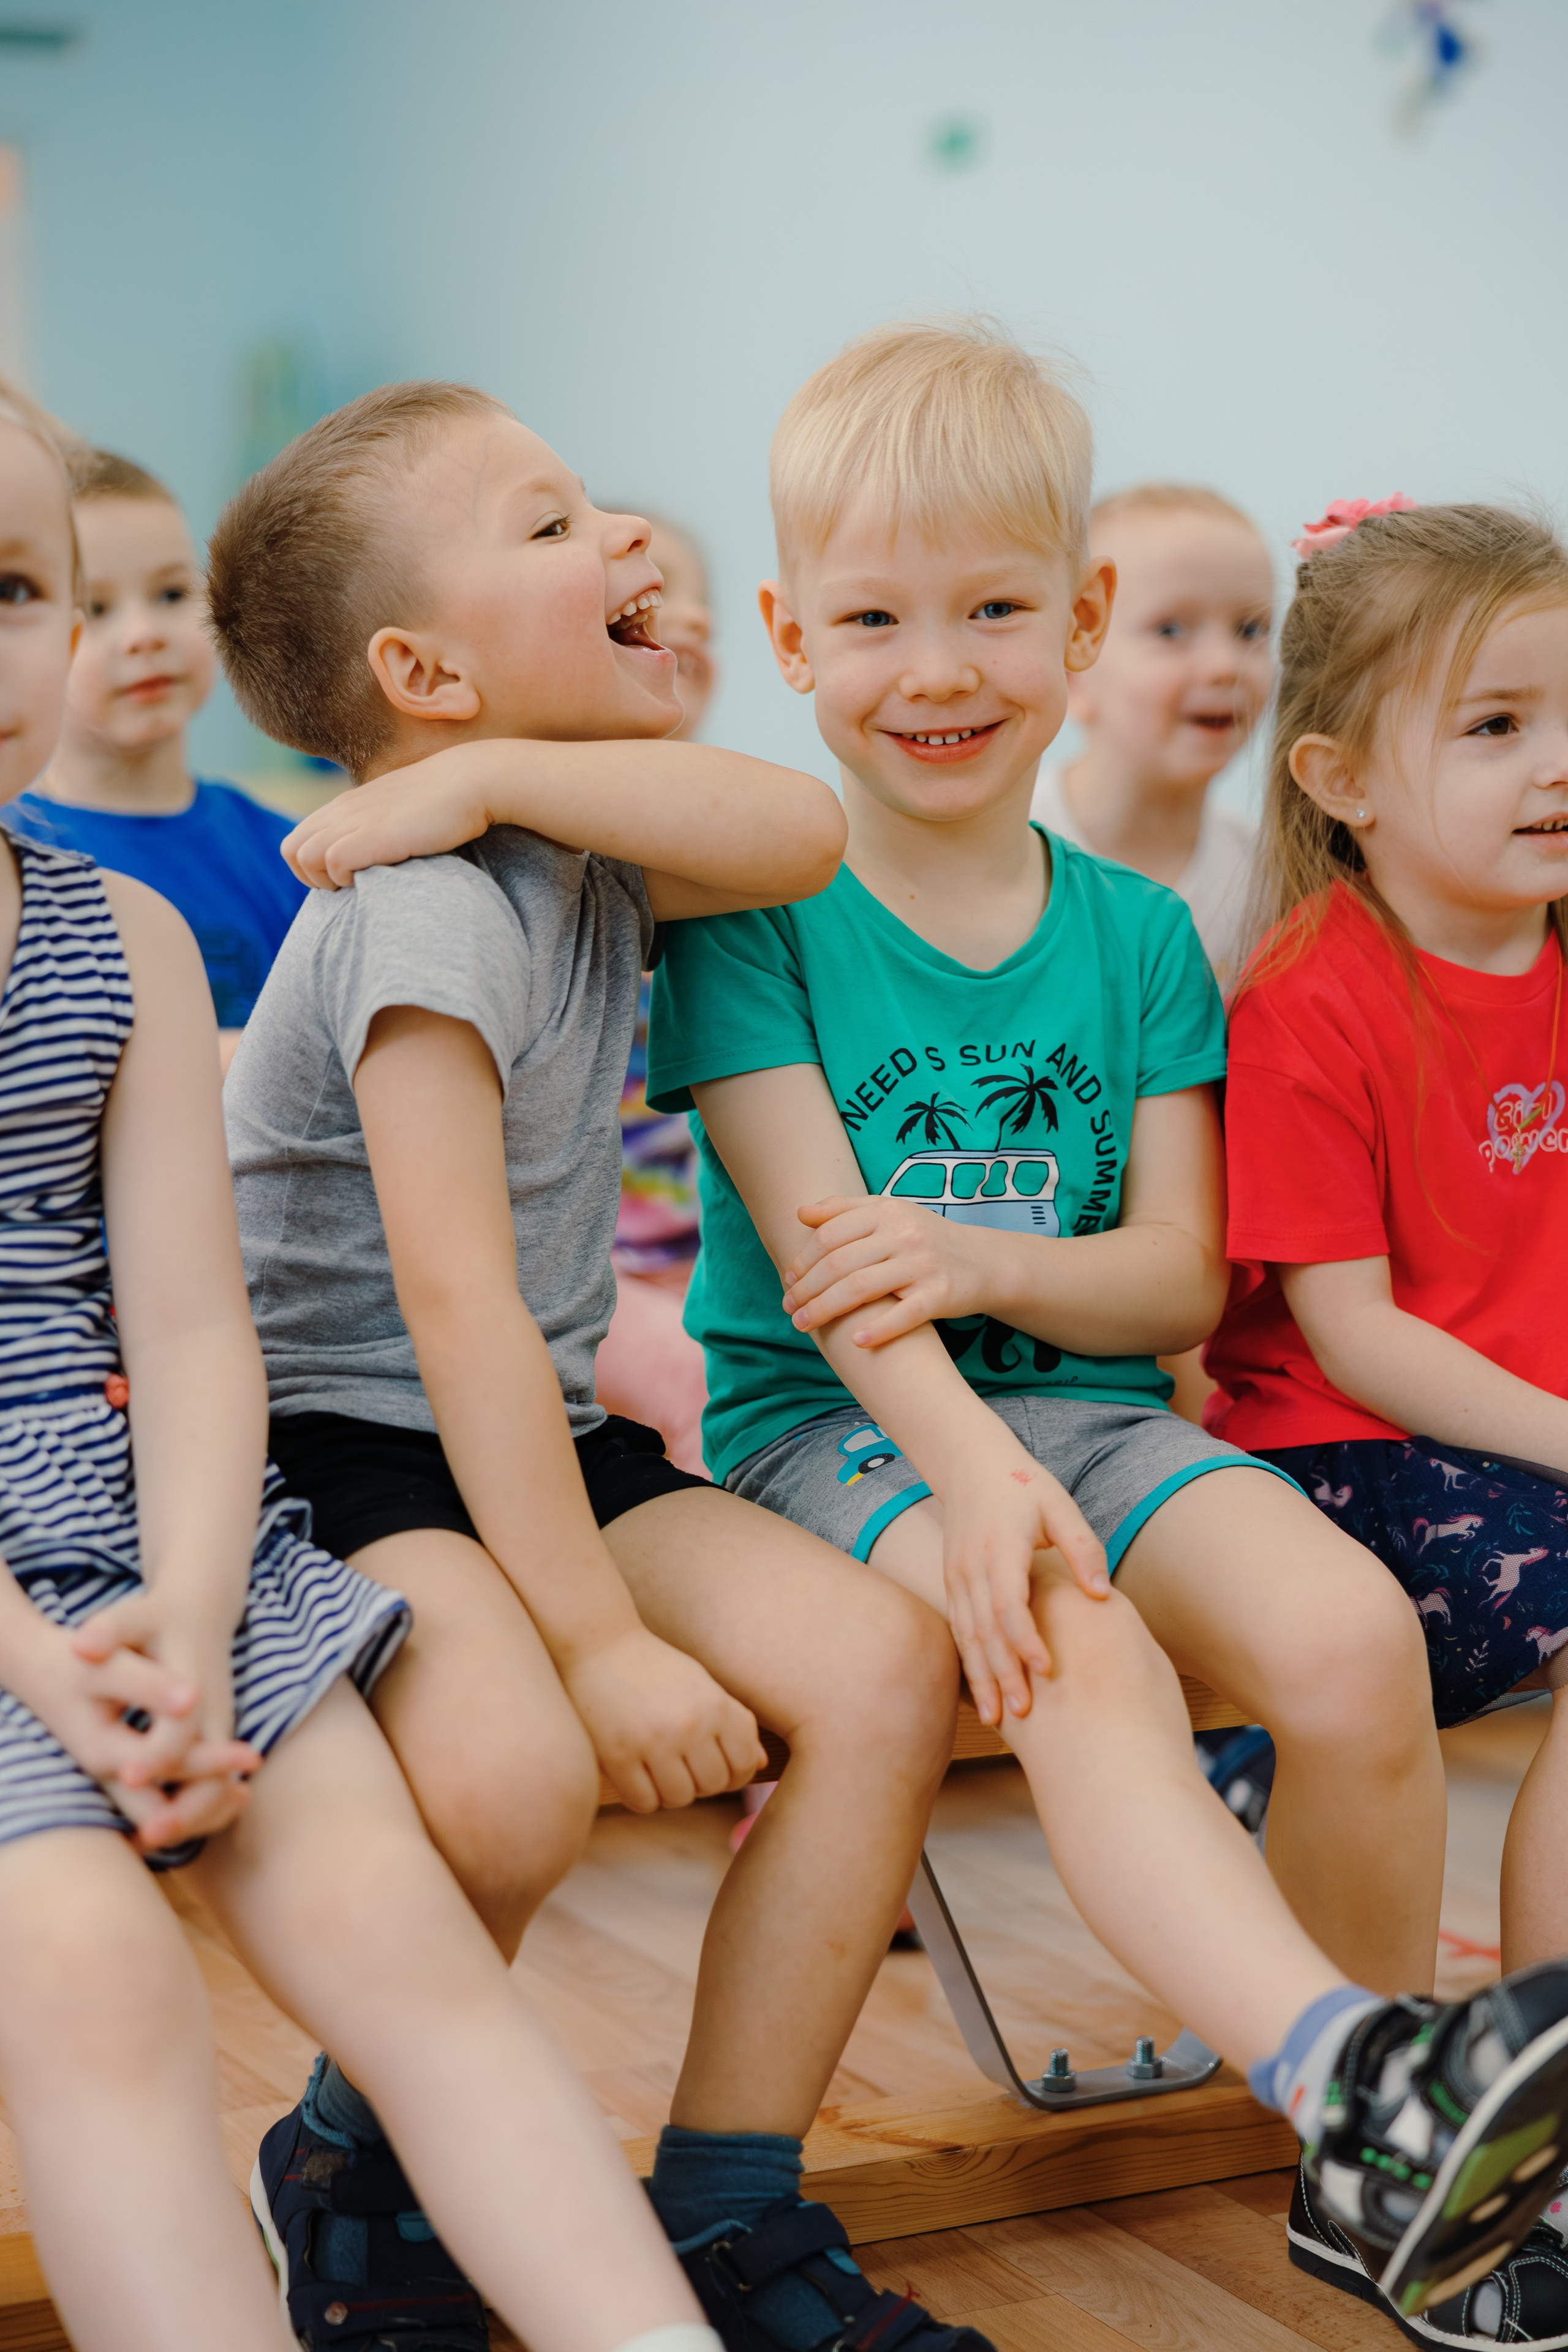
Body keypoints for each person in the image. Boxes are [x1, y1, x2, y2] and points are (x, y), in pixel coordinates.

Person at [638, 318, 1568, 2323]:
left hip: (1094, 1410)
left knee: (1345, 1644)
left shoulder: (1141, 934)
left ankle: (1376, 2152)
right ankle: (1354, 2085)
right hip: (840, 1433)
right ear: (795, 637)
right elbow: (833, 1284)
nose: (942, 665)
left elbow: (1166, 1280)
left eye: (995, 607)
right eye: (878, 616)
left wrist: (987, 1271)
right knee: (1085, 1652)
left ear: (1084, 620)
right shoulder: (757, 918)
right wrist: (971, 1474)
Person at [211, 382, 978, 2352]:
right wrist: (598, 1638)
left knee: (886, 1668)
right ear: (422, 666)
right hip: (344, 1445)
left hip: (527, 1425)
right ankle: (358, 2155)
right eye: (553, 526)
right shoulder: (421, 913)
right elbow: (452, 1308)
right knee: (521, 1781)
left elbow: (799, 829)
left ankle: (729, 2201)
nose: (625, 539)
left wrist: (486, 780)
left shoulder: (549, 834)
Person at [0, 383, 736, 2352]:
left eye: (9, 586)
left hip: (159, 1534)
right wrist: (42, 1651)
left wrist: (188, 1592)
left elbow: (183, 1324)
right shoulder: (402, 910)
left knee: (418, 1946)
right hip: (18, 1604)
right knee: (99, 1974)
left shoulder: (130, 933)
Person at [1207, 494, 1568, 2342]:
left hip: (1520, 1437)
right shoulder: (1314, 996)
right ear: (1338, 770)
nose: (1553, 763)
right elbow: (1350, 1331)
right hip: (1349, 1459)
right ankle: (1417, 2114)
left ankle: (1536, 2071)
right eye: (1495, 725)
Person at [7, 447, 307, 1066]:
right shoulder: (16, 861)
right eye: (97, 609)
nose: (144, 634)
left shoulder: (290, 854)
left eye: (172, 594)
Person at [1028, 480, 1272, 990]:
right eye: (1171, 630)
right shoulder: (1010, 850)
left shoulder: (1268, 882)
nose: (1225, 665)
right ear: (1072, 671)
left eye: (1251, 630)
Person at [596, 513, 717, 1472]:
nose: (673, 611)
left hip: (723, 1257)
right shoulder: (556, 844)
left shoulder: (740, 835)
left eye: (681, 591)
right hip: (603, 1269)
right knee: (693, 1378)